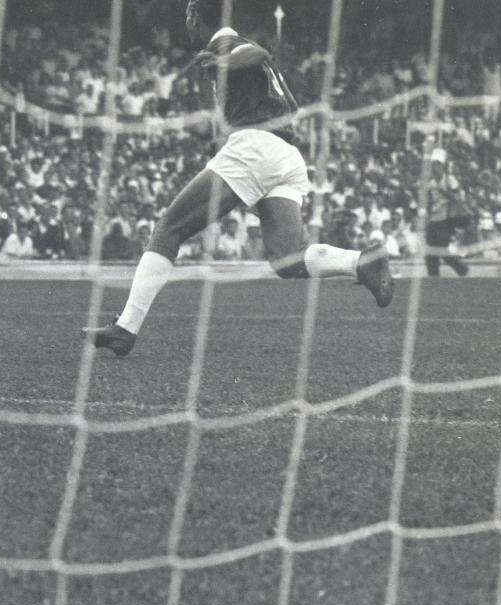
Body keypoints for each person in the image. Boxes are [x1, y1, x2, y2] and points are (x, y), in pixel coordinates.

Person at [83, 0, 392, 357]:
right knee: (288, 258)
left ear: (194, 16)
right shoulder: (232, 49)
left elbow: (257, 53)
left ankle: (126, 328)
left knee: (168, 229)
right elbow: (290, 105)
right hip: (285, 154)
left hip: (255, 148)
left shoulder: (225, 43)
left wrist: (225, 63)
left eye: (187, 16)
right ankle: (361, 263)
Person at [423, 147, 471, 276]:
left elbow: (457, 197)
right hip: (434, 219)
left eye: (438, 165)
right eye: (434, 165)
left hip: (446, 219)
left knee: (442, 249)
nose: (435, 168)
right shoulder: (431, 183)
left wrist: (442, 191)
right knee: (430, 251)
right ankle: (434, 277)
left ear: (443, 166)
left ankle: (462, 269)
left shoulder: (449, 179)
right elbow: (429, 202)